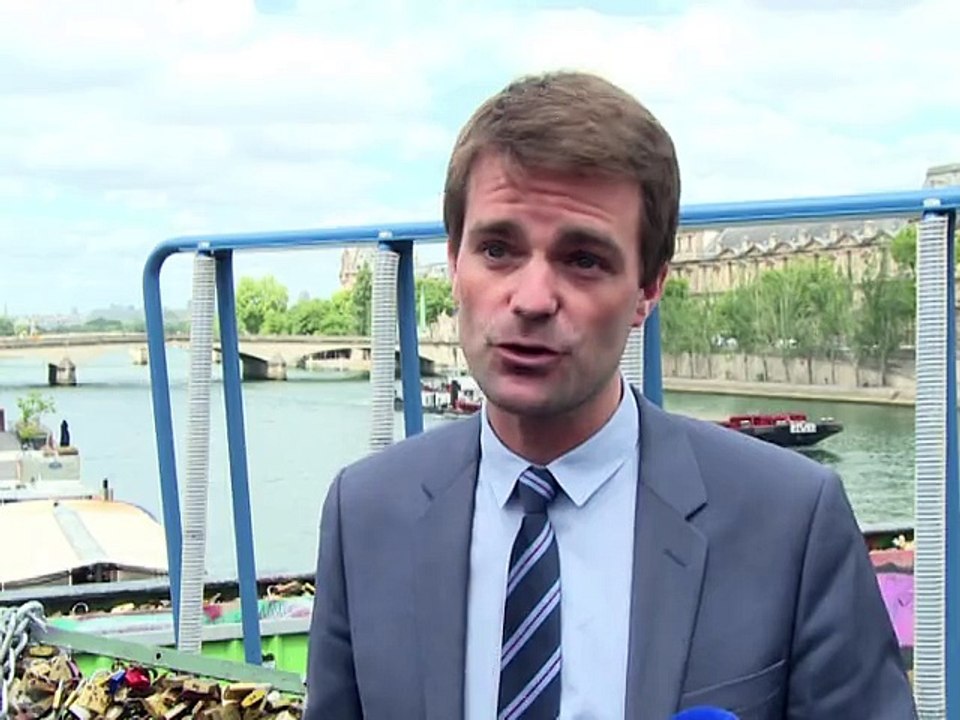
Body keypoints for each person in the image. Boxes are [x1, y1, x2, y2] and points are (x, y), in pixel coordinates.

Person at [304, 71, 916, 719]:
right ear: (454, 261)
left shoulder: (791, 521)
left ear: (649, 289)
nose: (533, 299)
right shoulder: (364, 513)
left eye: (584, 259)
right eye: (497, 249)